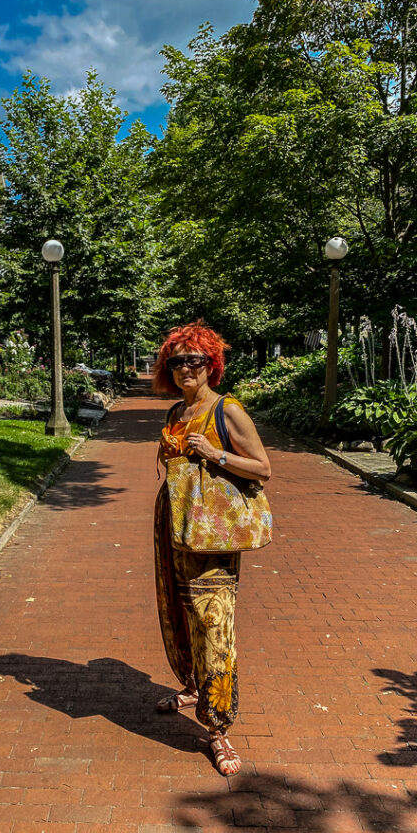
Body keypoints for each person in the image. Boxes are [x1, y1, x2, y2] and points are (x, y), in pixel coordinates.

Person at [153, 321, 271, 776]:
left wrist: (214, 453)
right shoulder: (174, 414)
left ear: (211, 364)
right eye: (177, 360)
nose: (186, 368)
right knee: (180, 614)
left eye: (195, 360)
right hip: (174, 530)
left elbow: (262, 469)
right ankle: (194, 686)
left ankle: (219, 729)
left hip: (214, 540)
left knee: (214, 623)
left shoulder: (228, 410)